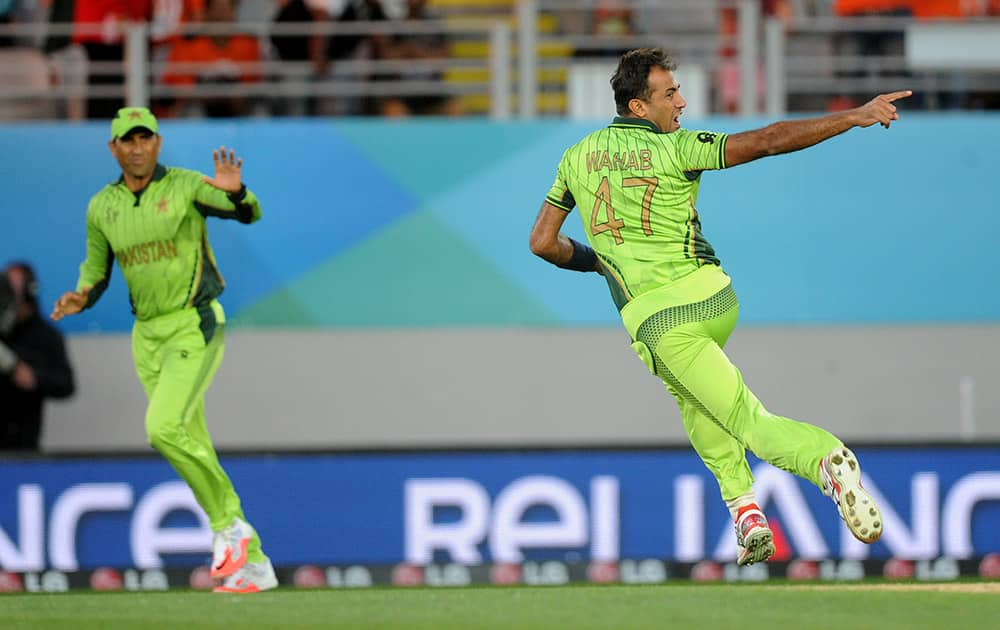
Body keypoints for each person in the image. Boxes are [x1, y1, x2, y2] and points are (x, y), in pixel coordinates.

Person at [529, 48, 909, 566]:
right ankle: (746, 510)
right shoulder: (677, 149)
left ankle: (824, 459)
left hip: (659, 320)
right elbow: (771, 140)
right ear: (639, 107)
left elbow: (544, 242)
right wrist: (853, 116)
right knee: (693, 396)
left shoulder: (575, 158)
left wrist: (599, 263)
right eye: (670, 94)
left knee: (746, 420)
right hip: (714, 295)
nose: (682, 102)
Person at [50, 106, 276, 593]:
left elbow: (249, 213)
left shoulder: (188, 186)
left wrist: (235, 191)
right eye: (126, 141)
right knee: (191, 441)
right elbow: (98, 267)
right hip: (146, 337)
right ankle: (253, 563)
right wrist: (81, 295)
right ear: (113, 149)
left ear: (157, 142)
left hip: (192, 324)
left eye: (144, 138)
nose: (136, 148)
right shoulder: (101, 207)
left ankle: (229, 529)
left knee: (161, 428)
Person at [0, 262, 76, 451]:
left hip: (23, 444)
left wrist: (35, 379)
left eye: (12, 287)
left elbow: (66, 384)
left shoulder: (46, 336)